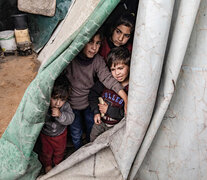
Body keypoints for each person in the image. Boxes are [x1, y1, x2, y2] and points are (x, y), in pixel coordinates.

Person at [65, 30, 128, 149]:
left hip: (89, 104)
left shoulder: (98, 60)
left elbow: (108, 79)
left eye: (98, 43)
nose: (94, 48)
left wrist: (125, 98)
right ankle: (78, 152)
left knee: (91, 129)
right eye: (90, 42)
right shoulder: (69, 59)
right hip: (71, 105)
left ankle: (89, 151)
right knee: (76, 132)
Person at [89, 47, 130, 142]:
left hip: (115, 127)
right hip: (100, 123)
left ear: (129, 66)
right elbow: (92, 94)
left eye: (120, 68)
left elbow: (126, 114)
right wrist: (96, 112)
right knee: (92, 141)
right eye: (113, 69)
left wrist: (109, 110)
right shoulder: (107, 82)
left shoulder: (131, 89)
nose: (117, 73)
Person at [39, 75, 75, 174]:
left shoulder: (65, 107)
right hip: (45, 135)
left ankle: (57, 163)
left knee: (59, 151)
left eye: (62, 100)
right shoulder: (44, 105)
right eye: (55, 98)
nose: (58, 103)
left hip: (60, 135)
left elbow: (71, 119)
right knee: (46, 151)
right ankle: (48, 165)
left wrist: (60, 115)